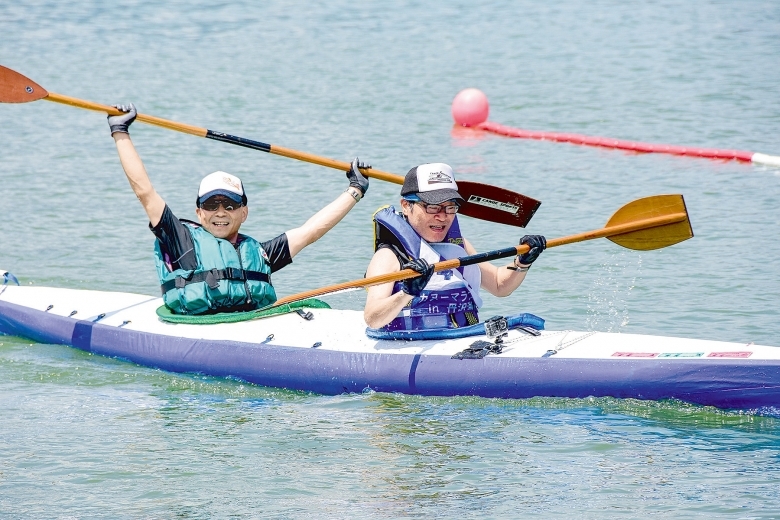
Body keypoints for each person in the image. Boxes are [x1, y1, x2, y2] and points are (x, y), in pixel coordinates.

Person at [108, 103, 369, 315]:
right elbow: (145, 192)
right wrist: (120, 131)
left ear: (244, 212)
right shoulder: (182, 241)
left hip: (249, 324)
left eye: (230, 205)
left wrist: (355, 190)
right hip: (197, 329)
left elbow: (310, 231)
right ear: (199, 213)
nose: (220, 212)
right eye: (211, 205)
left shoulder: (260, 253)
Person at [363, 163, 545, 331]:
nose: (443, 216)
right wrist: (406, 293)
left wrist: (522, 262)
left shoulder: (458, 245)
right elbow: (372, 318)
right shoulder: (389, 256)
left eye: (450, 207)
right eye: (433, 207)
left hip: (461, 339)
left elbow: (499, 285)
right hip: (410, 344)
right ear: (406, 206)